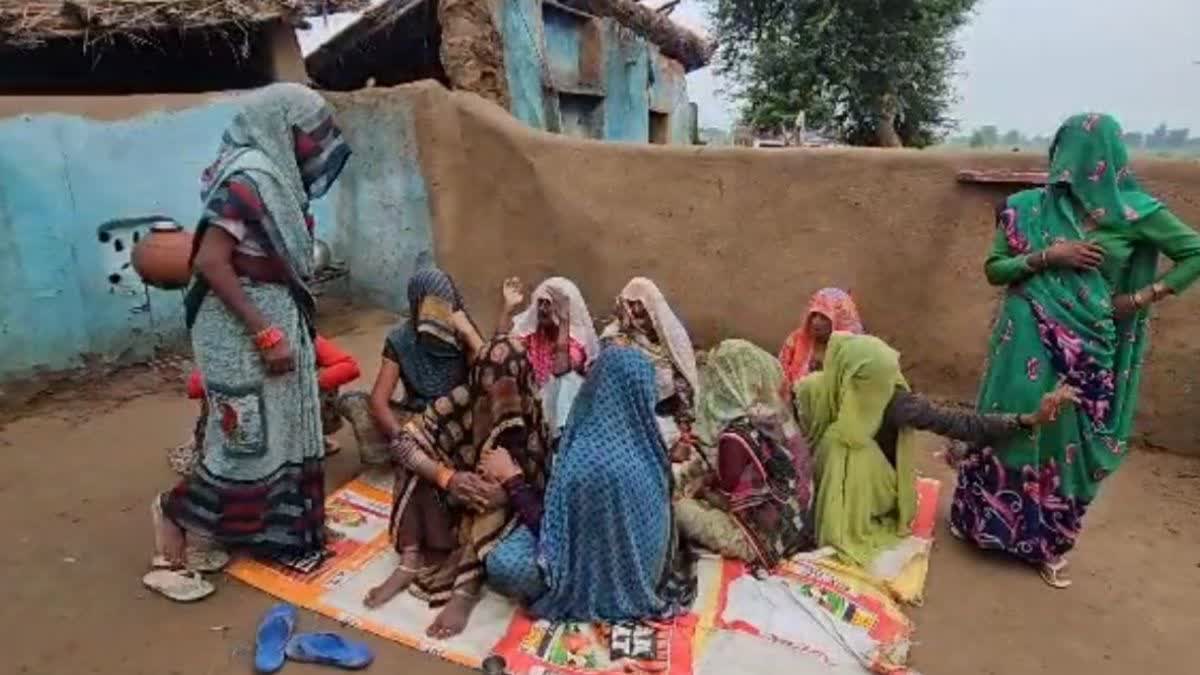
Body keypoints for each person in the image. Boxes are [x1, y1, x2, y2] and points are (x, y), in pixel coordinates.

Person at [950, 113, 1200, 589]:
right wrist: (1050, 256)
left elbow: (1194, 252)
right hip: (1018, 342)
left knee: (1068, 441)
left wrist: (1140, 298)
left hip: (1086, 352)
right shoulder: (1026, 207)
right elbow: (996, 270)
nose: (1066, 162)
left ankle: (1048, 543)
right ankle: (982, 524)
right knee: (1007, 426)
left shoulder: (1135, 212)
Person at [145, 84, 351, 602]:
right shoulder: (248, 179)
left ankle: (257, 532)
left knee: (279, 432)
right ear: (283, 129)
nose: (315, 150)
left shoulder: (275, 178)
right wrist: (264, 331)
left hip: (274, 317)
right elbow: (210, 262)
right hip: (240, 329)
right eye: (310, 137)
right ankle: (180, 521)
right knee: (242, 436)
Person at [794, 333, 1076, 576]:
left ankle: (836, 521)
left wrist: (1026, 419)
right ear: (848, 376)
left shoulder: (897, 403)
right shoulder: (814, 391)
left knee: (843, 445)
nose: (886, 383)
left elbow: (959, 423)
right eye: (875, 379)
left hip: (873, 491)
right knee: (834, 443)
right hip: (815, 480)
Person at [479, 347, 696, 621]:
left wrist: (512, 480)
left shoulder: (589, 458)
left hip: (595, 581)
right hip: (648, 573)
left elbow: (554, 537)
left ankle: (590, 596)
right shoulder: (649, 447)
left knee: (504, 563)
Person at [362, 336, 548, 639]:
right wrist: (447, 478)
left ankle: (466, 588)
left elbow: (539, 487)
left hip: (502, 507)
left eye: (505, 392)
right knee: (415, 461)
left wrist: (506, 492)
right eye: (488, 393)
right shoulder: (464, 397)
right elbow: (404, 441)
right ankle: (411, 557)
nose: (496, 403)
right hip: (455, 494)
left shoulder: (532, 416)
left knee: (493, 501)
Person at [675, 340, 814, 568]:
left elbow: (729, 499)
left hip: (766, 542)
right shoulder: (774, 414)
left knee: (679, 509)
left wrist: (700, 490)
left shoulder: (735, 437)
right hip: (798, 525)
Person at [340, 255, 484, 466]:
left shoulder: (463, 331)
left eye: (443, 304)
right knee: (357, 405)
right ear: (417, 304)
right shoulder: (401, 339)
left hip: (460, 418)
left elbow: (489, 376)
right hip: (419, 419)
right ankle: (418, 455)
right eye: (431, 307)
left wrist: (469, 334)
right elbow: (379, 401)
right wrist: (403, 439)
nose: (437, 314)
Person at [169, 335, 361, 475]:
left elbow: (349, 367)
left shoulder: (301, 335)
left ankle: (304, 440)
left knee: (320, 384)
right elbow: (194, 388)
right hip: (249, 416)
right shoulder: (229, 342)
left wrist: (305, 384)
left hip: (287, 407)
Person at [601, 278, 699, 461]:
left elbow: (683, 388)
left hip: (662, 416)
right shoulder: (615, 337)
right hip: (624, 418)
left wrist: (684, 430)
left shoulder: (670, 339)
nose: (636, 310)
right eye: (631, 304)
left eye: (641, 304)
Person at [504, 276, 599, 439]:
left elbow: (561, 371)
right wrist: (508, 308)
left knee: (566, 381)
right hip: (534, 407)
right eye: (540, 302)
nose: (541, 308)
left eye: (548, 304)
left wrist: (563, 322)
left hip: (562, 414)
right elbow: (502, 346)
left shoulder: (576, 340)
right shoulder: (535, 334)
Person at [778, 287, 864, 387]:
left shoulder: (851, 351)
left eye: (823, 317)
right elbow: (780, 373)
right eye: (814, 315)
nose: (815, 322)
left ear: (838, 320)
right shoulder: (796, 339)